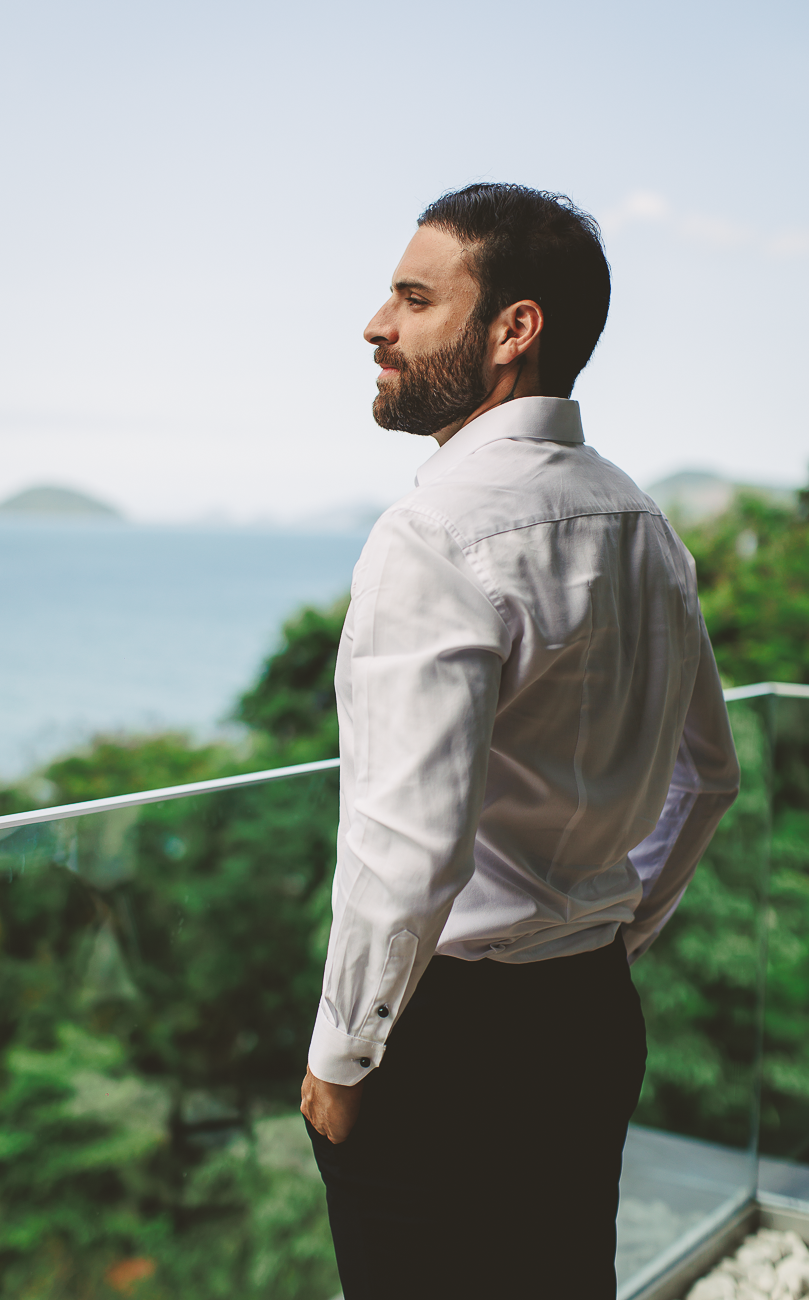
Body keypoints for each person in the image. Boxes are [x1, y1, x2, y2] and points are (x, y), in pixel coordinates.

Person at [299, 183, 740, 1299]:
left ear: (512, 329)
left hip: (442, 1044)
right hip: (590, 1015)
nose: (375, 325)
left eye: (412, 297)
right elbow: (711, 777)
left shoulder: (434, 533)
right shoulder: (642, 520)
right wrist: (611, 934)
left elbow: (411, 847)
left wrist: (343, 1052)